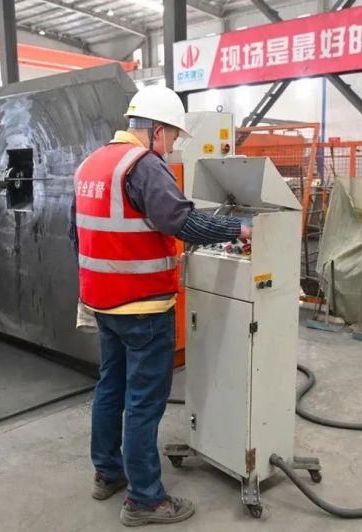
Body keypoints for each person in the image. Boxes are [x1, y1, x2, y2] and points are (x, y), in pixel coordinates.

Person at [68, 85, 251, 527]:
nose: (171, 147)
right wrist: (239, 230)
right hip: (143, 307)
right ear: (155, 129)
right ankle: (145, 500)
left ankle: (107, 473)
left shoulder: (92, 163)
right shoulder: (144, 165)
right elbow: (182, 221)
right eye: (171, 136)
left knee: (110, 389)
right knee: (144, 403)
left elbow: (75, 233)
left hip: (102, 303)